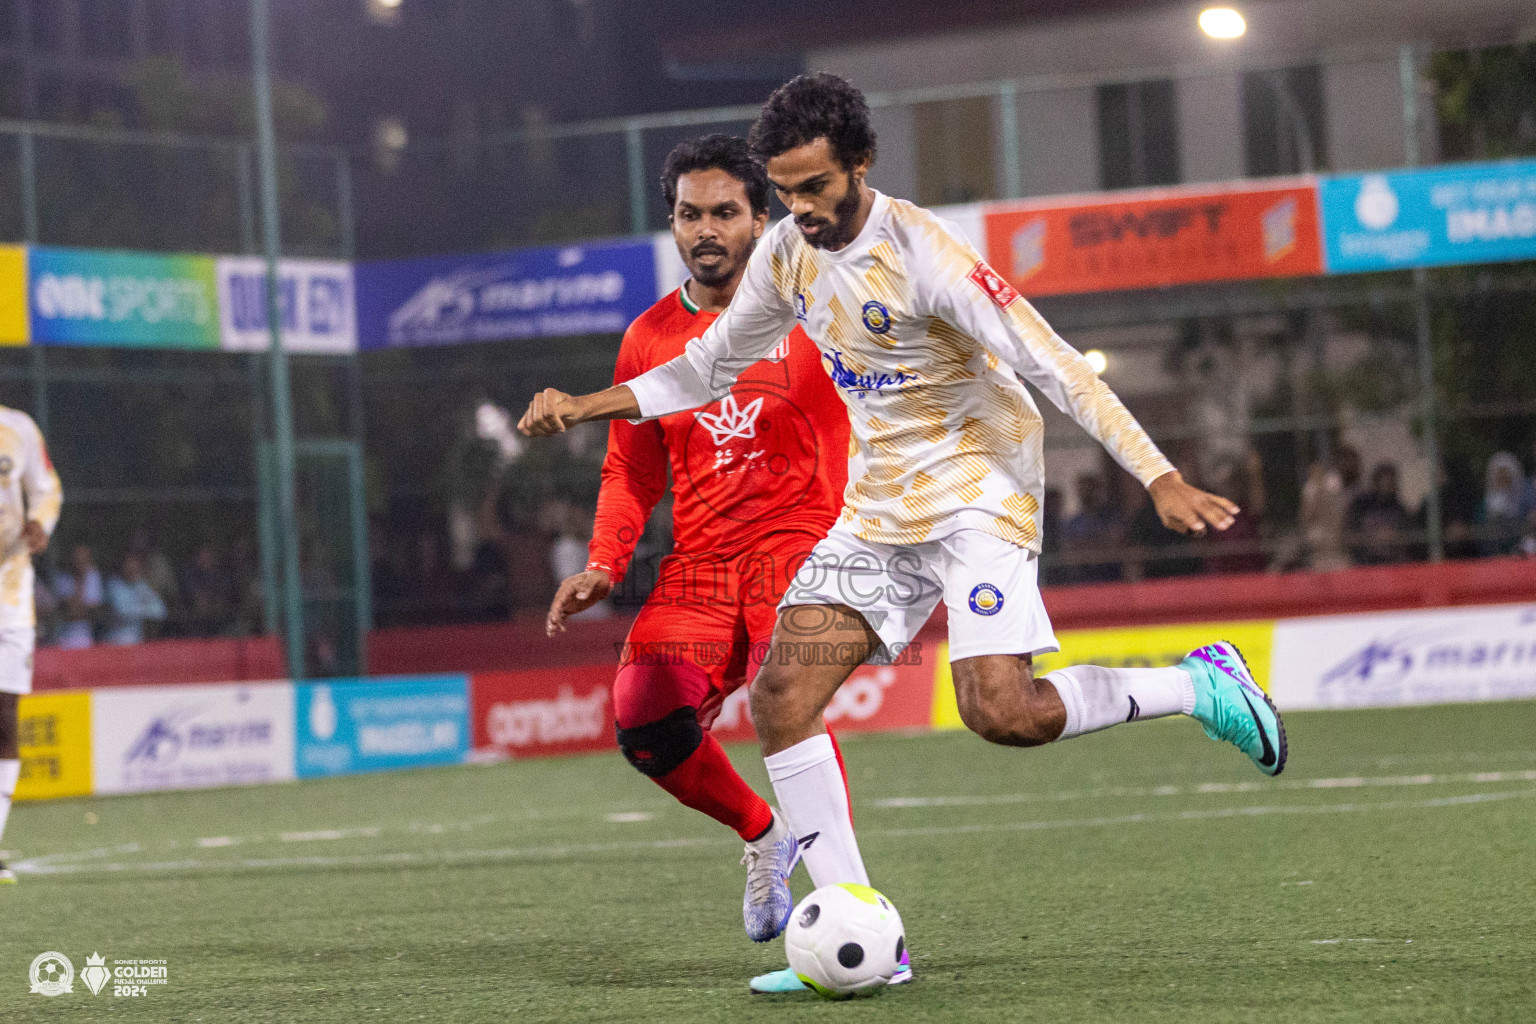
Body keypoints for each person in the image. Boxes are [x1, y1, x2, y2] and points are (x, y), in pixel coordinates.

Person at [519, 74, 1286, 993]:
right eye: (786, 191)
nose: (798, 210)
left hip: (977, 490)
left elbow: (1054, 366)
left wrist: (1157, 474)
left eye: (814, 189)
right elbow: (709, 366)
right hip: (881, 505)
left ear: (860, 165)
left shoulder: (928, 255)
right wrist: (583, 405)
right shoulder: (787, 255)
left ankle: (1198, 687)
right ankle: (858, 934)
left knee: (1002, 713)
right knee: (784, 696)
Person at [541, 134, 856, 948]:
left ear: (762, 219)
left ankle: (850, 912)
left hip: (804, 549)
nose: (705, 229)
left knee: (789, 709)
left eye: (724, 212)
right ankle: (762, 834)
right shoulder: (648, 337)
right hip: (703, 567)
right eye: (689, 214)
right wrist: (605, 561)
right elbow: (630, 472)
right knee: (643, 713)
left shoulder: (817, 301)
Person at [0, 405, 62, 884]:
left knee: (4, 719)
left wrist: (40, 521)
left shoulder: (16, 428)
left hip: (11, 591)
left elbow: (48, 488)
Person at [1058, 472, 1123, 583]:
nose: (1086, 494)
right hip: (1082, 577)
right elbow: (1068, 551)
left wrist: (1086, 546)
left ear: (1098, 491)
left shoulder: (1112, 518)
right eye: (1082, 490)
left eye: (1090, 490)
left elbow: (1116, 544)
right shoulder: (1072, 522)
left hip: (1112, 575)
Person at [1347, 461, 1411, 565]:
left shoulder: (1400, 509)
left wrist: (1395, 536)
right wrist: (1372, 537)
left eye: (1391, 483)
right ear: (1376, 483)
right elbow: (1350, 535)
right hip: (1367, 563)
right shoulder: (1362, 505)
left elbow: (1409, 536)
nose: (1388, 486)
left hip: (1394, 564)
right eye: (1385, 482)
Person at [104, 552, 169, 645]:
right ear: (123, 567)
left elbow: (160, 611)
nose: (132, 570)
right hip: (116, 639)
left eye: (135, 567)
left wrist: (137, 609)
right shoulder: (113, 585)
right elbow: (123, 612)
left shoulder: (142, 585)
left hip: (137, 640)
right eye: (129, 567)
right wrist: (145, 609)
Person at [51, 543, 102, 649]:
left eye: (84, 559)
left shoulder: (93, 576)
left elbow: (95, 612)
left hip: (87, 637)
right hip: (63, 637)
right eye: (77, 559)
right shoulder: (61, 578)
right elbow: (69, 611)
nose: (80, 562)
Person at [1477, 452, 1527, 557]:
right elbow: (1480, 531)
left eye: (1506, 473)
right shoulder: (1483, 506)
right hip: (1491, 558)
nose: (1502, 477)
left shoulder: (1522, 503)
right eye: (1499, 473)